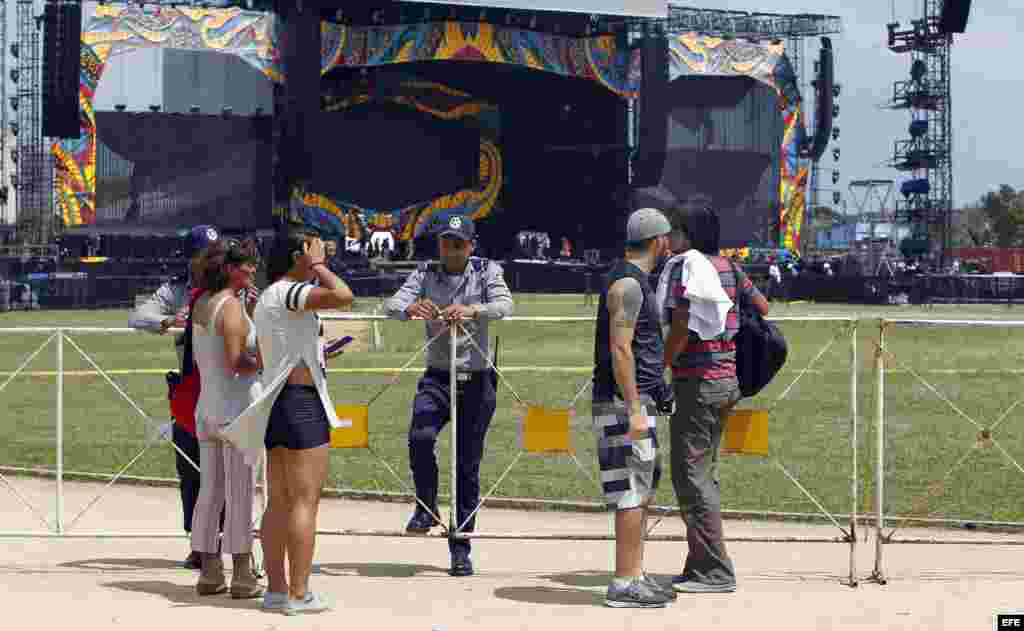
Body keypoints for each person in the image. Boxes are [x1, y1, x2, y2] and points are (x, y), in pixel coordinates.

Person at [228, 229, 354, 615]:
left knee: (279, 501)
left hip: (277, 403)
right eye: (311, 247)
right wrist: (319, 264)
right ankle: (300, 594)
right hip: (301, 404)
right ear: (298, 254)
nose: (321, 251)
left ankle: (277, 590)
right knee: (304, 502)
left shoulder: (269, 295)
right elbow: (344, 295)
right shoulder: (290, 291)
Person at [383, 215, 513, 577]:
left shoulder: (486, 271)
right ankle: (426, 508)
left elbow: (506, 306)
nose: (451, 250)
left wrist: (472, 310)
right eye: (446, 243)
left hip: (477, 378)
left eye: (458, 244)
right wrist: (409, 309)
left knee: (466, 467)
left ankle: (461, 548)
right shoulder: (424, 272)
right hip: (437, 376)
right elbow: (391, 305)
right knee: (420, 437)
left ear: (471, 246)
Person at [661, 204, 769, 594]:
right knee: (704, 474)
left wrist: (662, 364)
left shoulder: (686, 268)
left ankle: (714, 571)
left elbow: (681, 325)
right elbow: (763, 307)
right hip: (727, 381)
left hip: (697, 382)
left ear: (688, 235)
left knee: (690, 475)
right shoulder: (730, 267)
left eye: (674, 230)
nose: (668, 238)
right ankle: (699, 564)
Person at [591, 208, 676, 608]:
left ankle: (635, 574)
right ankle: (624, 583)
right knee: (629, 490)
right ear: (659, 240)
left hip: (635, 399)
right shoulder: (627, 284)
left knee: (641, 487)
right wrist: (635, 408)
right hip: (625, 402)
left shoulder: (634, 281)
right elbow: (620, 349)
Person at [129, 224, 221, 569]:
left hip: (226, 384)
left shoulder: (231, 284)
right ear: (192, 258)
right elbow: (138, 316)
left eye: (217, 253)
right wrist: (169, 320)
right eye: (207, 254)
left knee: (226, 468)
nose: (214, 260)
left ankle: (226, 542)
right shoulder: (175, 288)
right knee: (190, 467)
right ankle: (198, 543)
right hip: (188, 389)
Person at [189, 239, 264, 598]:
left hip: (207, 407)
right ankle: (243, 574)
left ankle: (209, 571)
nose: (253, 269)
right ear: (231, 268)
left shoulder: (203, 302)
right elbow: (238, 362)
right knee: (240, 495)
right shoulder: (230, 305)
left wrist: (248, 312)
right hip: (236, 410)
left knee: (210, 492)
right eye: (247, 264)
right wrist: (268, 358)